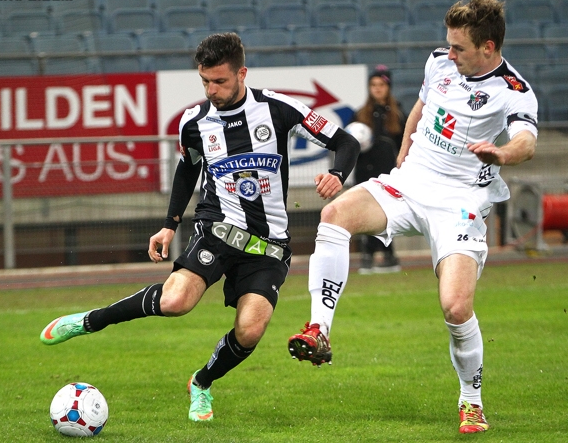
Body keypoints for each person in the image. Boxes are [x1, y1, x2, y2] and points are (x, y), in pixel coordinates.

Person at [40, 33, 360, 422]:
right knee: (176, 302)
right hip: (217, 229)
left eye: (220, 81)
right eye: (205, 81)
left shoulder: (280, 108)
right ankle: (90, 320)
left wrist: (338, 173)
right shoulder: (194, 122)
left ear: (242, 73)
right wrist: (169, 225)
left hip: (269, 245)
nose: (212, 90)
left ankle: (202, 383)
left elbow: (345, 141)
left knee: (251, 330)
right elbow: (188, 167)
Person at [288, 0, 537, 434]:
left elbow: (526, 142)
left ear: (489, 48)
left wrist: (499, 152)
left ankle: (472, 402)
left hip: (460, 201)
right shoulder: (439, 61)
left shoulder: (512, 90)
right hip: (411, 182)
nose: (450, 53)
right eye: (449, 44)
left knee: (456, 307)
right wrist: (402, 156)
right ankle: (319, 329)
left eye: (460, 47)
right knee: (334, 216)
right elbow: (421, 108)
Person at [350, 65, 406, 274]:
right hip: (364, 172)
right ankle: (368, 255)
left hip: (388, 173)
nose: (377, 89)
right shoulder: (359, 115)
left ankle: (389, 255)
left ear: (388, 87)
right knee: (365, 214)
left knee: (386, 215)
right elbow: (349, 144)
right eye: (373, 85)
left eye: (381, 85)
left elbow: (405, 144)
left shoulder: (398, 114)